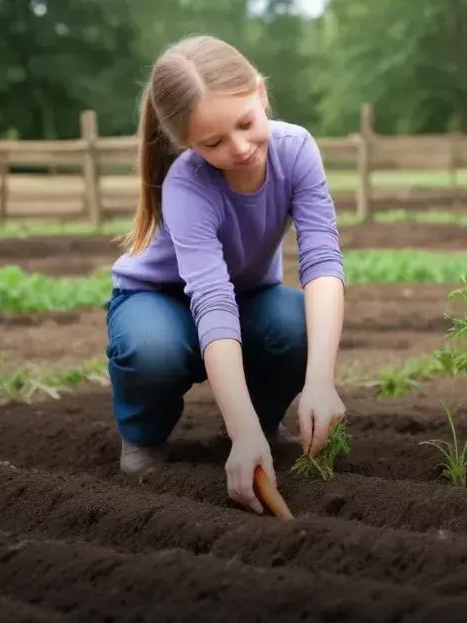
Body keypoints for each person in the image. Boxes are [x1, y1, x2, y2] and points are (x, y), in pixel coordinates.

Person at [107, 36, 346, 513]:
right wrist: (242, 434)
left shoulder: (295, 150)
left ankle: (260, 424)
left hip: (249, 297)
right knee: (151, 349)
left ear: (260, 93)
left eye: (246, 124)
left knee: (295, 324)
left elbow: (321, 259)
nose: (239, 148)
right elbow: (211, 300)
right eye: (213, 143)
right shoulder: (187, 182)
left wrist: (320, 380)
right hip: (159, 301)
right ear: (185, 144)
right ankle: (145, 438)